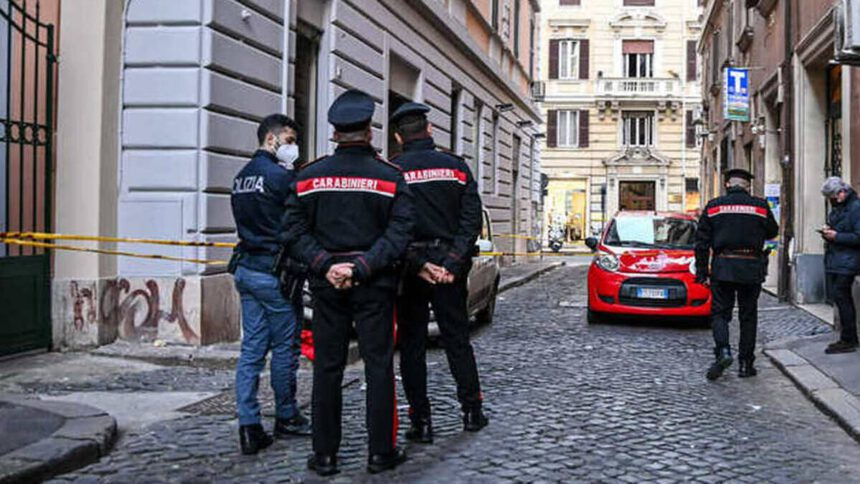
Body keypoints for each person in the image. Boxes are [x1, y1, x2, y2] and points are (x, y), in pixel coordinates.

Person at [280, 89, 414, 476]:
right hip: (374, 284)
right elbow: (400, 232)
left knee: (327, 368)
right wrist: (362, 267)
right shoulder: (390, 177)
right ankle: (380, 453)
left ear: (335, 133)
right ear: (370, 132)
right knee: (378, 366)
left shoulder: (309, 176)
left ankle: (324, 455)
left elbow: (292, 231)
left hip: (326, 285)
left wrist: (326, 265)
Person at [388, 102, 488, 445]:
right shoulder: (456, 168)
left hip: (410, 269)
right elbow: (471, 219)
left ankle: (421, 421)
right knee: (457, 339)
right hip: (450, 266)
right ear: (429, 131)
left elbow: (391, 227)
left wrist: (419, 264)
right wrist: (453, 262)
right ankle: (472, 411)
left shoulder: (392, 170)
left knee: (413, 344)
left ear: (399, 137)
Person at [229, 114, 311, 455]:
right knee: (285, 348)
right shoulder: (280, 178)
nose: (293, 147)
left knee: (251, 351)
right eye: (290, 140)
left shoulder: (241, 177)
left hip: (246, 270)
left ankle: (249, 425)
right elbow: (295, 225)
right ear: (272, 140)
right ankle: (287, 415)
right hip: (274, 274)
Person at [695, 168, 778, 380]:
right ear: (747, 186)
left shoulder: (714, 207)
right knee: (748, 316)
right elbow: (772, 231)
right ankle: (746, 364)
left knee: (720, 314)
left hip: (723, 266)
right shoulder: (760, 206)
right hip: (751, 266)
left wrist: (702, 271)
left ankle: (723, 351)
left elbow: (702, 242)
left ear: (727, 185)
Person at [820, 177, 860, 354]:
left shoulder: (856, 208)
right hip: (838, 259)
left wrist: (836, 236)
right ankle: (848, 338)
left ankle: (849, 339)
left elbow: (858, 236)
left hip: (849, 260)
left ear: (842, 193)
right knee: (840, 297)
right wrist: (827, 231)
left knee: (842, 297)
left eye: (833, 197)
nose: (831, 201)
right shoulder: (840, 207)